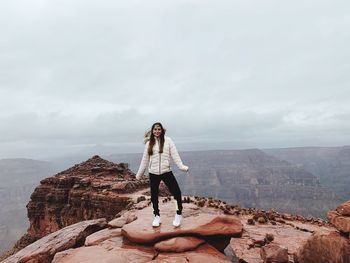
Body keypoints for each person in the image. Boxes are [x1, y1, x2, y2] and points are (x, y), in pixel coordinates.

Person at [135, 122, 189, 227]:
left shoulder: (168, 141)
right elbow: (144, 160)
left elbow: (175, 155)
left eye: (159, 129)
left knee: (176, 192)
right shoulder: (148, 143)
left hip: (166, 172)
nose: (157, 131)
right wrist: (139, 174)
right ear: (152, 131)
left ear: (162, 130)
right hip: (153, 173)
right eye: (155, 129)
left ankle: (178, 214)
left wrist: (181, 166)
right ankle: (156, 216)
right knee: (154, 196)